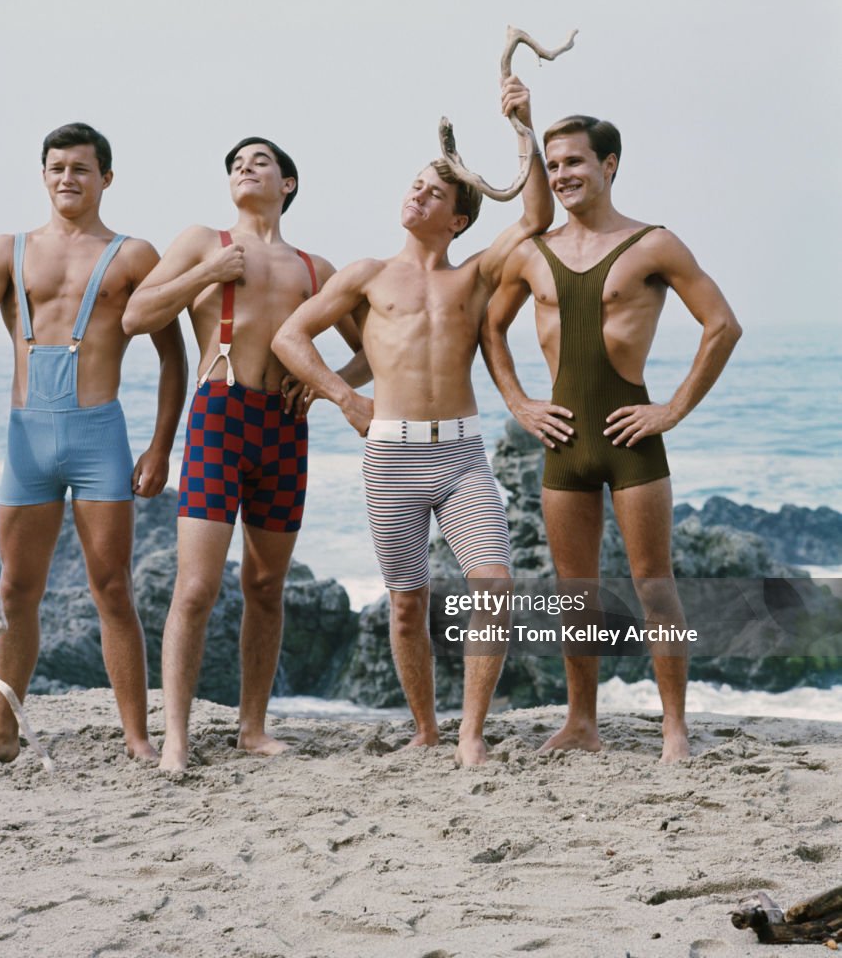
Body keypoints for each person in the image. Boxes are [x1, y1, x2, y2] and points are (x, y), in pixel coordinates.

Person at [272, 78, 552, 765]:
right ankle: (424, 730)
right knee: (405, 603)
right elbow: (290, 338)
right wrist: (345, 397)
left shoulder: (475, 276)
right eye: (415, 184)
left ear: (457, 219)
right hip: (391, 457)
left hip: (460, 456)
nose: (418, 194)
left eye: (434, 192)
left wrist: (524, 128)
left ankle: (470, 732)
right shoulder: (366, 274)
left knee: (494, 584)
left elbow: (536, 217)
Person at [481, 114, 742, 762]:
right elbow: (490, 328)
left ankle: (674, 727)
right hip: (563, 443)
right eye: (554, 163)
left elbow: (722, 326)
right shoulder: (529, 252)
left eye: (575, 161)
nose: (564, 174)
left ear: (609, 165)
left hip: (631, 438)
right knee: (577, 592)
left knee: (654, 583)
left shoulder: (654, 244)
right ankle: (581, 722)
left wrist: (672, 409)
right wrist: (518, 403)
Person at [0, 122, 187, 764]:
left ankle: (137, 736)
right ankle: (2, 732)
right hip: (26, 441)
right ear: (43, 175)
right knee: (16, 590)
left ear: (106, 178)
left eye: (81, 168)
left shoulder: (134, 256)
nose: (67, 177)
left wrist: (159, 448)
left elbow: (174, 357)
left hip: (101, 436)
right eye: (56, 167)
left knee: (113, 588)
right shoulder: (6, 250)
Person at [122, 136, 365, 772]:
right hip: (217, 418)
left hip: (285, 430)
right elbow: (135, 315)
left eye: (259, 161)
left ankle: (251, 728)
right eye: (235, 163)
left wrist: (322, 379)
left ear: (288, 183)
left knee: (265, 584)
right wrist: (206, 275)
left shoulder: (317, 269)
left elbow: (375, 348)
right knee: (197, 586)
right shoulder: (203, 241)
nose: (244, 168)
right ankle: (176, 736)